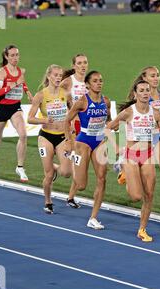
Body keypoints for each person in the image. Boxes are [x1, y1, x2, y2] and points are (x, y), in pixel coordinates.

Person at [105, 80, 160, 242]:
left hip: (147, 155)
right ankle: (124, 172)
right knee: (136, 196)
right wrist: (116, 146)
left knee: (149, 194)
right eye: (142, 90)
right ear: (135, 94)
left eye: (147, 90)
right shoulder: (128, 112)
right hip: (131, 156)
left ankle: (142, 229)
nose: (146, 93)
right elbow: (108, 128)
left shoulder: (155, 113)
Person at [117, 66, 160, 224]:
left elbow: (158, 116)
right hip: (143, 139)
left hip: (158, 135)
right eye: (152, 76)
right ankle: (126, 170)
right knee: (148, 179)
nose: (156, 78)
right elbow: (128, 120)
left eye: (158, 75)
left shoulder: (159, 93)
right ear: (144, 78)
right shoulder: (140, 95)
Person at [64, 71, 111, 229]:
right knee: (81, 185)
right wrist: (69, 141)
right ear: (88, 85)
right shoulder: (82, 101)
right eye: (95, 81)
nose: (99, 83)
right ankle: (73, 160)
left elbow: (109, 121)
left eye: (101, 80)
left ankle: (93, 217)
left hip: (98, 142)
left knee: (102, 178)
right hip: (83, 142)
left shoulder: (106, 101)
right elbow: (67, 120)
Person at [27, 64, 75, 214]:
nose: (58, 78)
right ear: (48, 76)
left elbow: (73, 111)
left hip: (61, 137)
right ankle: (48, 202)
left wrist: (71, 125)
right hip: (46, 137)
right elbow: (30, 118)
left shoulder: (66, 93)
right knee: (47, 174)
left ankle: (55, 167)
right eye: (55, 75)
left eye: (60, 75)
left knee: (67, 173)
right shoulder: (41, 95)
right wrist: (45, 120)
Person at [0, 45, 33, 182]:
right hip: (2, 108)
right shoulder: (2, 72)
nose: (15, 58)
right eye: (12, 55)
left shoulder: (20, 71)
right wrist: (14, 83)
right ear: (6, 57)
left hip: (15, 107)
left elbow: (22, 83)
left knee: (23, 135)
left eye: (17, 55)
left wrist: (28, 93)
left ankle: (20, 167)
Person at [61, 53, 89, 209]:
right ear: (74, 66)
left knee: (80, 163)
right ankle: (54, 168)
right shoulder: (68, 82)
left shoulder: (90, 81)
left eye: (85, 62)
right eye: (79, 63)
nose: (83, 65)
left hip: (85, 128)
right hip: (72, 127)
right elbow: (55, 96)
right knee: (67, 170)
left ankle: (71, 197)